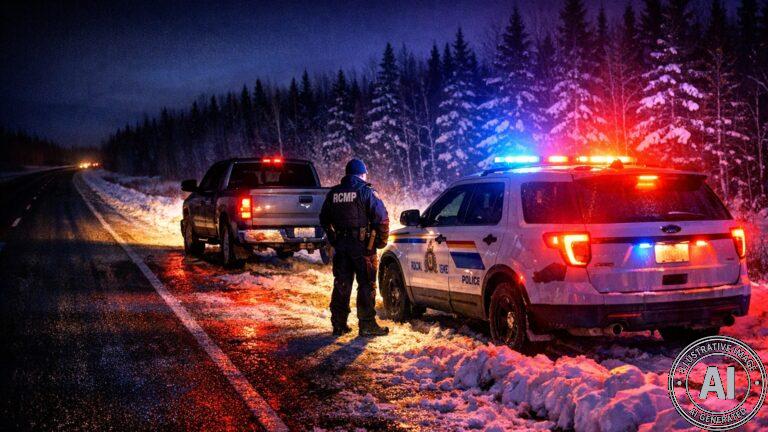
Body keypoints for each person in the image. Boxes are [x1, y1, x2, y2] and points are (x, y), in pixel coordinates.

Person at [320, 159, 390, 337]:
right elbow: (381, 217)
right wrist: (381, 242)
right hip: (362, 247)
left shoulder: (333, 193)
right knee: (366, 283)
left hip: (341, 246)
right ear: (361, 174)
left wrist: (334, 238)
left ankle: (338, 324)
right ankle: (367, 325)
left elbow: (323, 219)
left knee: (342, 283)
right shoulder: (366, 191)